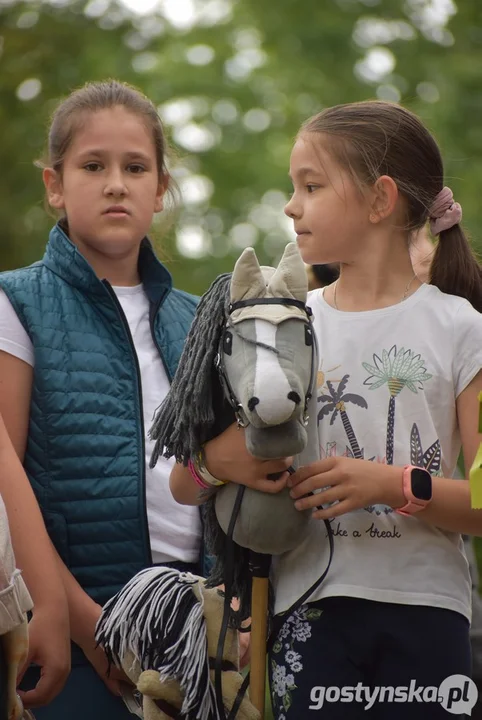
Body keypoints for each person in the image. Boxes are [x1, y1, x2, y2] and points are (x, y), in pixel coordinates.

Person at [170, 100, 482, 719]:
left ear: (379, 199)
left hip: (430, 616)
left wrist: (394, 485)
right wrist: (221, 461)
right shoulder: (288, 323)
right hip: (303, 614)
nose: (291, 206)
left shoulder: (462, 327)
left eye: (310, 186)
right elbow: (183, 483)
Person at [0, 80, 205, 719]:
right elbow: (7, 487)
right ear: (54, 184)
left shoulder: (200, 321)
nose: (116, 183)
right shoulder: (15, 301)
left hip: (194, 633)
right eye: (94, 166)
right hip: (68, 632)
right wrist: (88, 626)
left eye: (135, 168)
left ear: (160, 190)